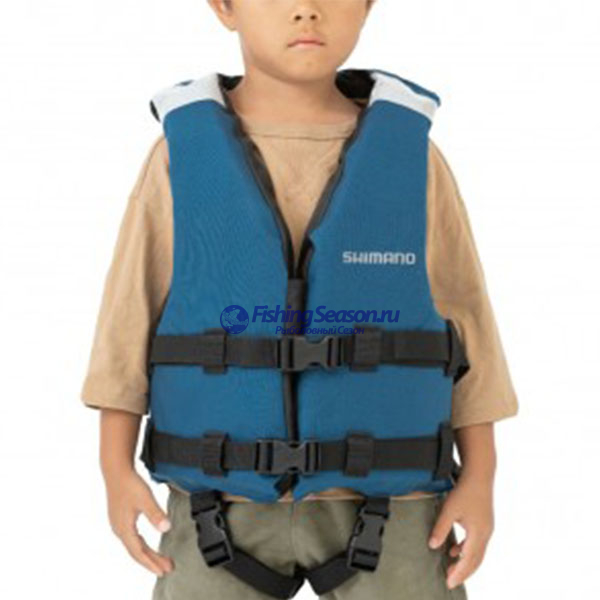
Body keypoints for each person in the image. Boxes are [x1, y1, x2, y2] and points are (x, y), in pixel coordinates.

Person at [80, 1, 519, 598]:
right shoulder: (179, 157)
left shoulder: (411, 158)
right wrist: (114, 468)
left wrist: (481, 476)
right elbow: (129, 317)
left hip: (396, 498)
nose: (307, 10)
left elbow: (467, 323)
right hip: (217, 503)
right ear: (224, 7)